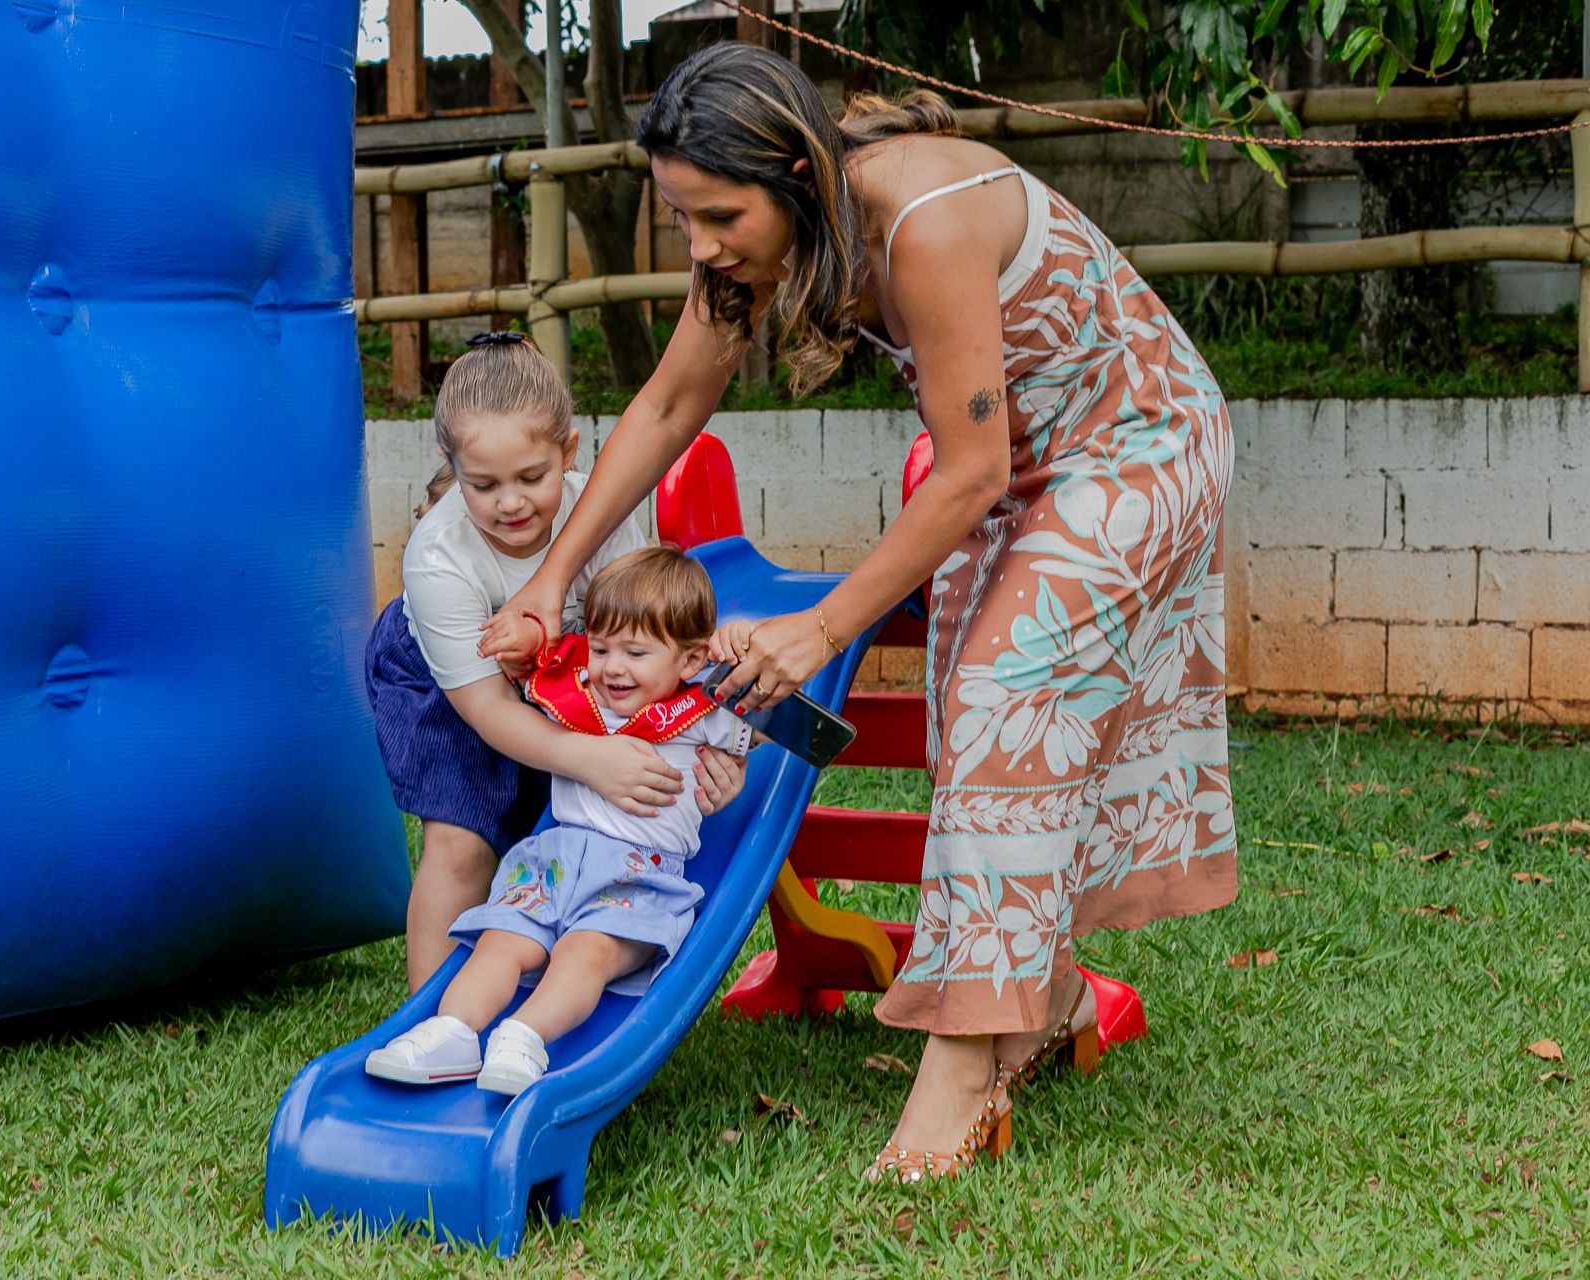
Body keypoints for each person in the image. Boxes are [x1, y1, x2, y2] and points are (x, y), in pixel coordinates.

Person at [487, 44, 1237, 1181]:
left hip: (1134, 445)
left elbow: (970, 469)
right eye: (682, 216)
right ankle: (1050, 1001)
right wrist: (554, 576)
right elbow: (670, 402)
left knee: (1002, 698)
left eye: (720, 216)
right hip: (1014, 465)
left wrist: (823, 627)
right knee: (970, 732)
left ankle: (962, 1076)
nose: (703, 245)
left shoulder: (923, 221)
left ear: (795, 170)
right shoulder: (759, 238)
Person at [363, 332, 746, 995]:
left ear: (568, 453)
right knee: (463, 840)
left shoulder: (602, 513)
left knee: (555, 826)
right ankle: (427, 1015)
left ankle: (530, 979)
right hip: (447, 684)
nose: (510, 503)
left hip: (568, 671)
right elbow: (487, 710)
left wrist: (719, 757)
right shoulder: (439, 556)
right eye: (483, 484)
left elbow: (648, 644)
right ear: (450, 464)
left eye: (532, 478)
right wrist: (588, 757)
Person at [366, 546, 750, 1095]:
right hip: (554, 865)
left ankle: (524, 1035)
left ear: (689, 662)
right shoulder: (580, 694)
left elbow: (771, 716)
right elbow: (532, 665)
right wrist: (523, 637)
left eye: (635, 653)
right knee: (500, 942)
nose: (613, 667)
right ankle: (453, 1032)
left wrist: (740, 652)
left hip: (638, 880)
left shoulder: (702, 712)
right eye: (602, 647)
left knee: (583, 952)